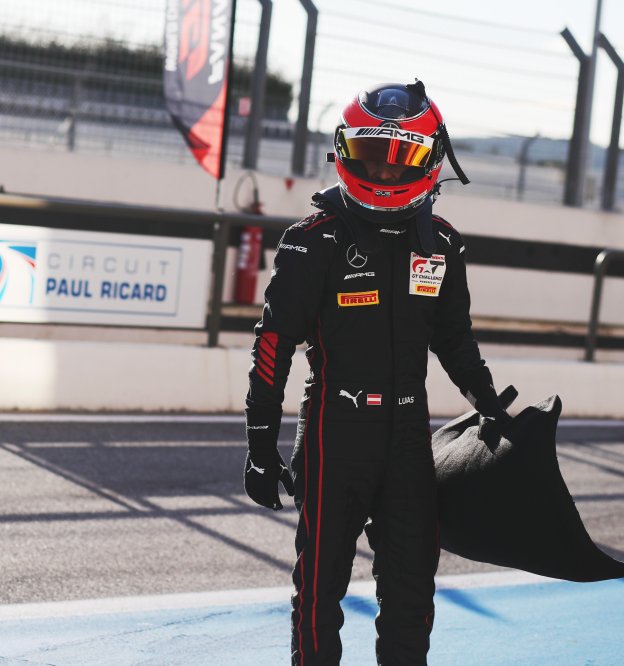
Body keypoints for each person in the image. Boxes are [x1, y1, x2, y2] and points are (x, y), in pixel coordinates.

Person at [242, 81, 510, 665]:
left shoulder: (442, 244)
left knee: (412, 596)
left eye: (401, 158)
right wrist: (260, 444)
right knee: (319, 592)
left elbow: (455, 340)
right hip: (334, 433)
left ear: (430, 160)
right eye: (372, 155)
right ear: (345, 150)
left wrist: (491, 405)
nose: (386, 171)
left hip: (409, 441)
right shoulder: (312, 241)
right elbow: (273, 344)